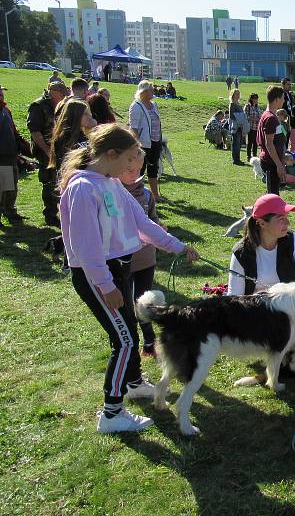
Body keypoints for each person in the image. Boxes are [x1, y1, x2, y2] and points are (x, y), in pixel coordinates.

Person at [58, 123, 199, 433]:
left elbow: (142, 223)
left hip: (118, 269)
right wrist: (106, 286)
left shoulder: (111, 184)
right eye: (132, 156)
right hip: (97, 275)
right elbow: (86, 247)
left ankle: (133, 383)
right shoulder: (83, 188)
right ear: (111, 154)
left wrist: (178, 246)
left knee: (129, 331)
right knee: (124, 341)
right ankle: (112, 413)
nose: (135, 163)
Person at [118, 152, 161, 358]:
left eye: (139, 170)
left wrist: (160, 227)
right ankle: (129, 343)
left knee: (142, 300)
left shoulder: (145, 194)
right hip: (122, 260)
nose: (135, 175)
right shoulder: (112, 194)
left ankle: (149, 340)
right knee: (125, 304)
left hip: (146, 258)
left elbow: (152, 219)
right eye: (130, 170)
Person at [227, 193, 295, 296]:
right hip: (254, 309)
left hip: (291, 306)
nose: (287, 223)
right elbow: (235, 296)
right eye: (281, 219)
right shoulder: (241, 253)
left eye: (286, 217)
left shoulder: (293, 240)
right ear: (262, 223)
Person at [27, 81, 68, 226]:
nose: (64, 96)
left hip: (58, 149)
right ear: (54, 92)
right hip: (45, 151)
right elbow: (35, 132)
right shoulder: (38, 106)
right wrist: (46, 150)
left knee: (59, 181)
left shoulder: (60, 105)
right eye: (62, 94)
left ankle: (60, 212)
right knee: (50, 182)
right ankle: (50, 215)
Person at [0, 87, 33, 226]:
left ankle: (9, 211)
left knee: (10, 185)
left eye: (1, 93)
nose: (1, 95)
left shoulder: (6, 110)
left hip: (9, 155)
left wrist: (23, 145)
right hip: (1, 156)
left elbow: (13, 131)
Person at [128, 80, 164, 203]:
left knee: (154, 169)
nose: (153, 91)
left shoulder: (154, 105)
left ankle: (155, 196)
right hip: (143, 144)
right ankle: (136, 196)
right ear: (143, 91)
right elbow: (134, 127)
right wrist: (136, 145)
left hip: (155, 142)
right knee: (140, 170)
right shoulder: (136, 106)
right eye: (151, 89)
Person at [49, 99, 98, 174]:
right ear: (76, 116)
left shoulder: (83, 135)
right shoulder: (65, 138)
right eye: (85, 114)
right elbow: (66, 165)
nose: (90, 116)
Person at [256, 85, 287, 194]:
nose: (284, 101)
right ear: (277, 99)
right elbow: (269, 144)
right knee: (273, 195)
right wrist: (279, 165)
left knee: (273, 193)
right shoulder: (270, 118)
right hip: (271, 162)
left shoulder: (269, 115)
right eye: (283, 98)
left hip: (273, 160)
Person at [228, 89, 248, 165]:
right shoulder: (232, 104)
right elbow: (231, 115)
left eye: (239, 93)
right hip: (236, 126)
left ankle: (238, 159)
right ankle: (235, 160)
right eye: (236, 94)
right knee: (235, 143)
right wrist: (240, 117)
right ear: (233, 95)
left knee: (239, 144)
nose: (238, 95)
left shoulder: (239, 104)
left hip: (241, 126)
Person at [244, 93, 260, 161]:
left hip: (257, 127)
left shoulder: (257, 107)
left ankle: (254, 156)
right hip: (250, 127)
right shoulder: (248, 106)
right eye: (254, 98)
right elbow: (245, 116)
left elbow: (259, 115)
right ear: (251, 99)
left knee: (255, 142)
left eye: (256, 98)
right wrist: (253, 118)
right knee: (250, 142)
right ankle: (248, 156)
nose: (255, 100)